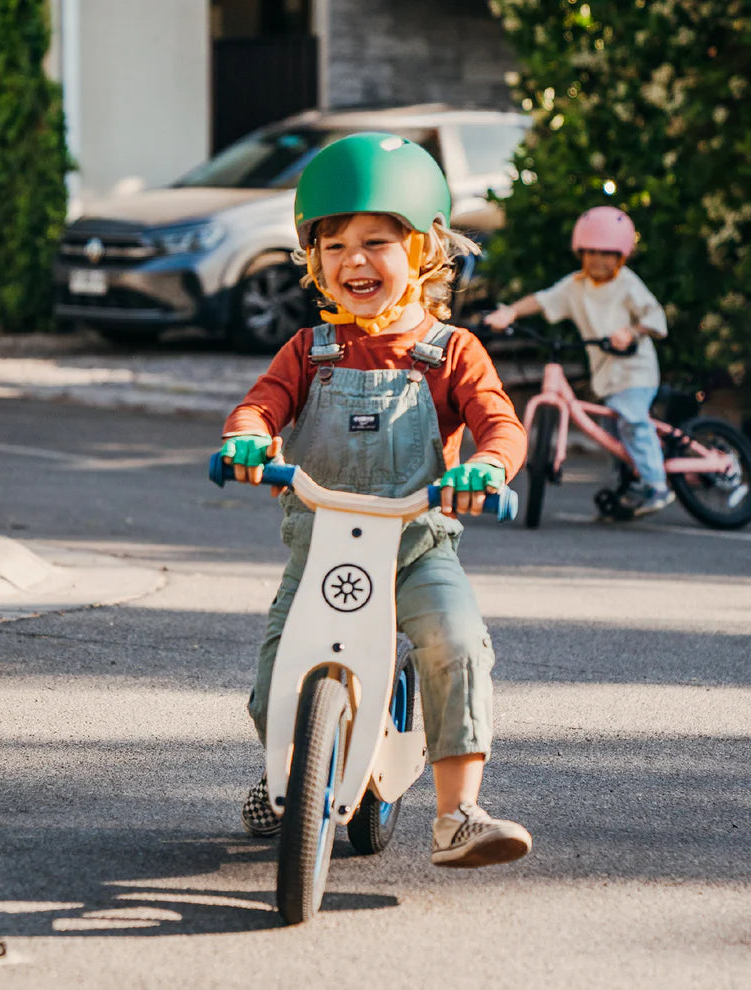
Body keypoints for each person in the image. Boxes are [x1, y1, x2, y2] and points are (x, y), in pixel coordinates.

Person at [220, 132, 532, 868]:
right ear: (313, 261)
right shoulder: (309, 350)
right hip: (320, 555)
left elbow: (499, 424)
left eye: (376, 242)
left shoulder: (451, 352)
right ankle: (294, 771)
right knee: (274, 689)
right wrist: (247, 441)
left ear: (424, 251)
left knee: (455, 642)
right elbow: (258, 408)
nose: (353, 261)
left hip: (416, 551)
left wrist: (487, 468)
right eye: (332, 246)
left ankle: (457, 815)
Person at [485, 205, 674, 517]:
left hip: (635, 371)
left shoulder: (627, 283)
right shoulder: (576, 285)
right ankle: (631, 484)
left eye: (607, 253)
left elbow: (655, 318)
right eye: (590, 252)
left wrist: (631, 331)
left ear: (622, 255)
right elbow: (543, 299)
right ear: (580, 252)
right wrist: (511, 312)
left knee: (631, 418)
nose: (597, 260)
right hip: (607, 375)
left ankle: (657, 485)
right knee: (612, 434)